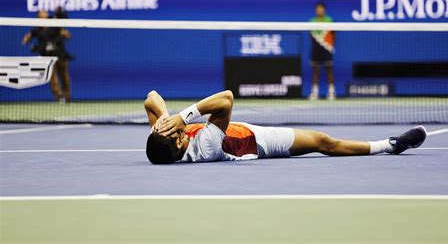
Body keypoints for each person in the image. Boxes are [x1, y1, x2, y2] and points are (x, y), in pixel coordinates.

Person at [144, 90, 427, 164]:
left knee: (322, 141)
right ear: (181, 144)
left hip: (242, 131)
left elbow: (151, 98)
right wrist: (184, 116)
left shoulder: (164, 140)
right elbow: (226, 100)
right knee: (323, 142)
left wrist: (166, 116)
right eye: (178, 132)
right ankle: (391, 146)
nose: (177, 128)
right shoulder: (204, 148)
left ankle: (389, 145)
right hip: (258, 143)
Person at [21, 9, 73, 102]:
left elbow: (66, 34)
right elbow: (28, 37)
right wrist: (27, 41)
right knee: (52, 77)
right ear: (38, 16)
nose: (45, 13)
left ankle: (67, 95)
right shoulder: (37, 29)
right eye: (42, 12)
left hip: (60, 54)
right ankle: (59, 97)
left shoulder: (55, 24)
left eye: (45, 12)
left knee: (64, 75)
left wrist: (64, 34)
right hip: (47, 56)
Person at [308, 2, 336, 100]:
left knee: (329, 70)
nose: (319, 10)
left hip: (327, 49)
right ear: (316, 10)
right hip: (316, 50)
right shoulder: (312, 21)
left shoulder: (330, 20)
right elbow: (311, 36)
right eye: (318, 8)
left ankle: (332, 92)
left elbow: (333, 35)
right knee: (316, 71)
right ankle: (315, 93)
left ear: (324, 10)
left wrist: (329, 47)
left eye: (321, 8)